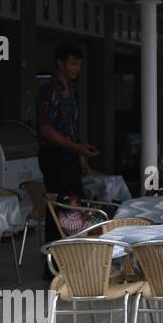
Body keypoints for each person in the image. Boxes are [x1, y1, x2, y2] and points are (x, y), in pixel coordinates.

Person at [36, 42, 101, 258]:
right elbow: (45, 129)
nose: (76, 69)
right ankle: (58, 261)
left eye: (79, 65)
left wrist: (80, 155)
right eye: (73, 64)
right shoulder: (50, 92)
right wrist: (75, 148)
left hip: (69, 156)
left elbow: (71, 127)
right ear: (60, 64)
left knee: (74, 205)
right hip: (55, 157)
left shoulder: (69, 90)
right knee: (62, 207)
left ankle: (69, 256)